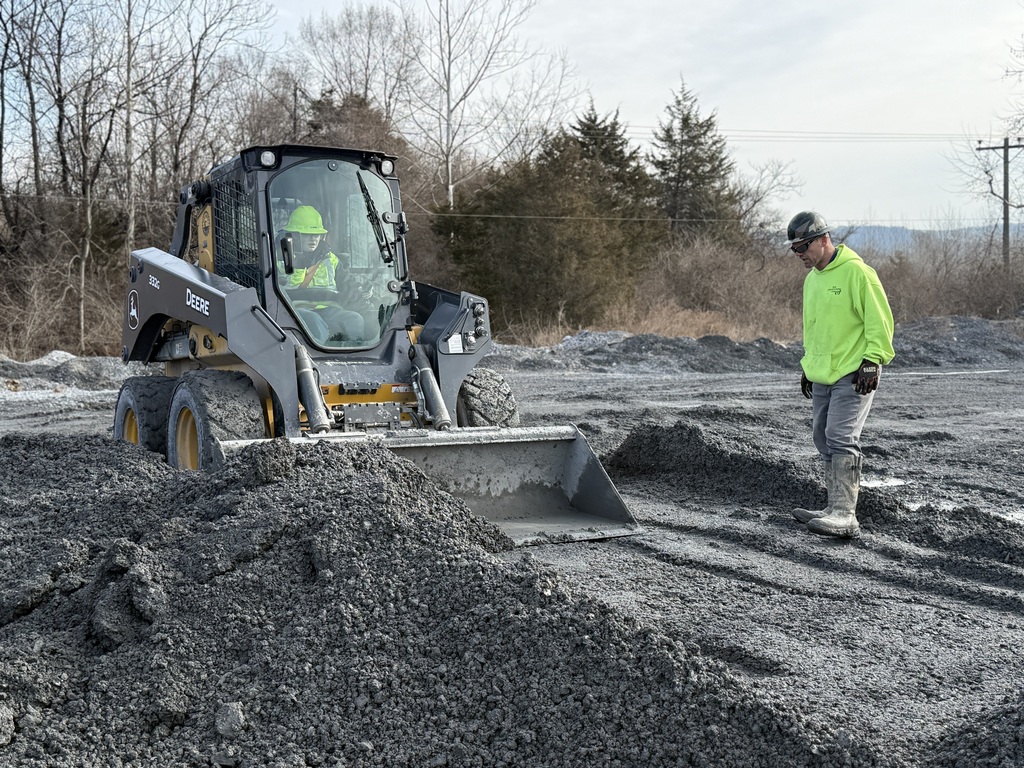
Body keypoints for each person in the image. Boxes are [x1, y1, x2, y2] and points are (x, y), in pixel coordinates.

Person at [786, 211, 895, 539]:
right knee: (821, 435)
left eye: (804, 246)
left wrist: (872, 361)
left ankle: (846, 515)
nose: (800, 254)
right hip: (823, 373)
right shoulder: (812, 280)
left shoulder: (857, 273)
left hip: (853, 372)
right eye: (794, 249)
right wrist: (809, 366)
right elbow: (814, 329)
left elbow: (880, 321)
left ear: (823, 239)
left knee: (840, 436)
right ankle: (834, 506)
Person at [279, 205, 365, 343]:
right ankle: (318, 359)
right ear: (294, 235)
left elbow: (348, 285)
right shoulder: (279, 259)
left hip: (327, 309)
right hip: (293, 310)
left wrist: (360, 294)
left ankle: (352, 357)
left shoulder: (331, 259)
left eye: (316, 234)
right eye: (307, 234)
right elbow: (285, 289)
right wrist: (299, 264)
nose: (313, 239)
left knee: (354, 319)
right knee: (314, 320)